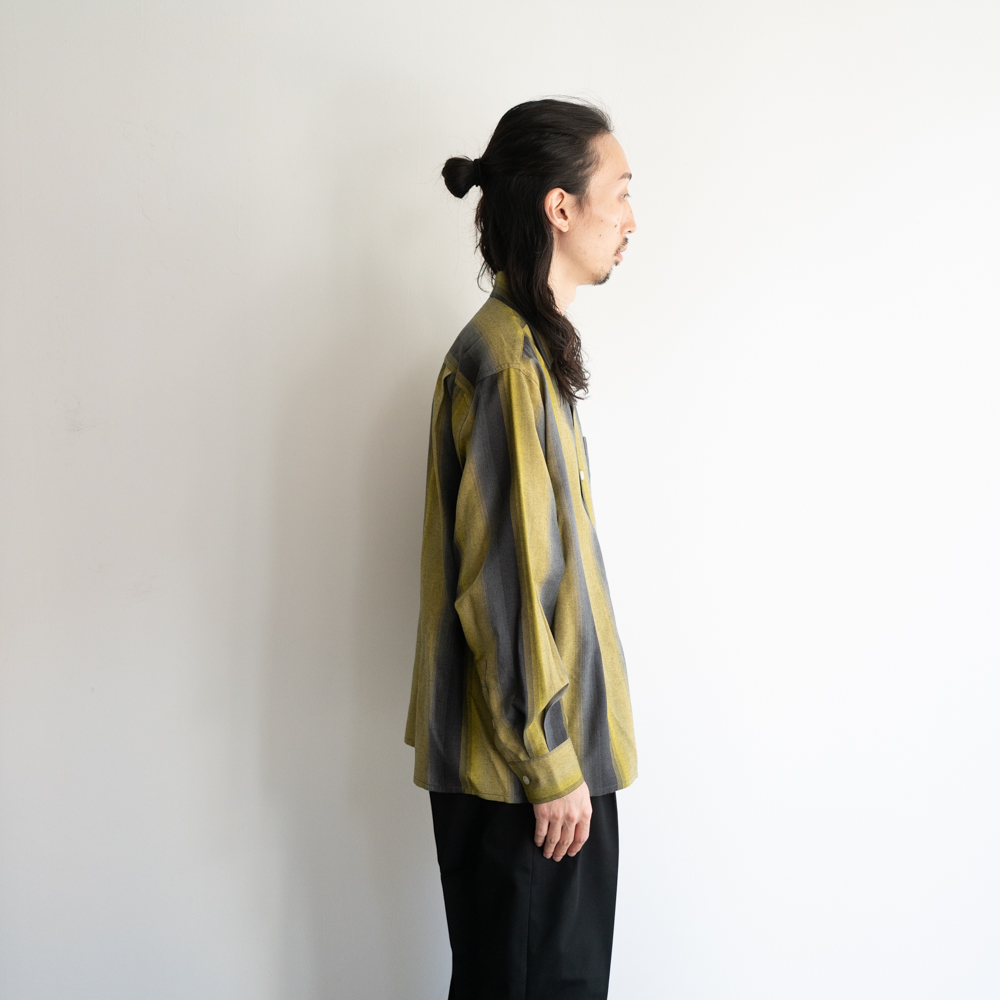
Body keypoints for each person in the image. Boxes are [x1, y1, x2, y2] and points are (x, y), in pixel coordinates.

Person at [405, 98, 638, 1000]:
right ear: (560, 207)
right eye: (620, 192)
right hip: (531, 781)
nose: (630, 219)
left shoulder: (529, 355)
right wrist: (549, 765)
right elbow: (501, 590)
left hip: (543, 772)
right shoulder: (504, 364)